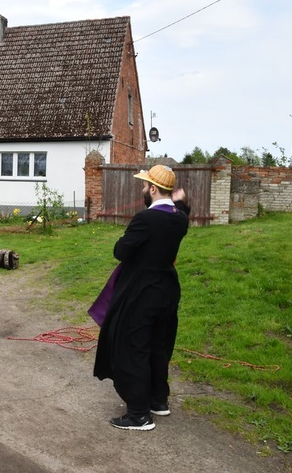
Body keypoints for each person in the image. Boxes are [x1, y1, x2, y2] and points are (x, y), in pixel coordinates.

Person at [92, 165, 190, 431]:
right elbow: (181, 210)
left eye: (145, 186)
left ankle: (138, 414)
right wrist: (181, 203)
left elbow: (121, 251)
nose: (143, 189)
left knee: (133, 347)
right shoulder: (180, 219)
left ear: (154, 189)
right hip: (167, 291)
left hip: (142, 293)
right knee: (158, 345)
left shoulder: (145, 219)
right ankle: (158, 400)